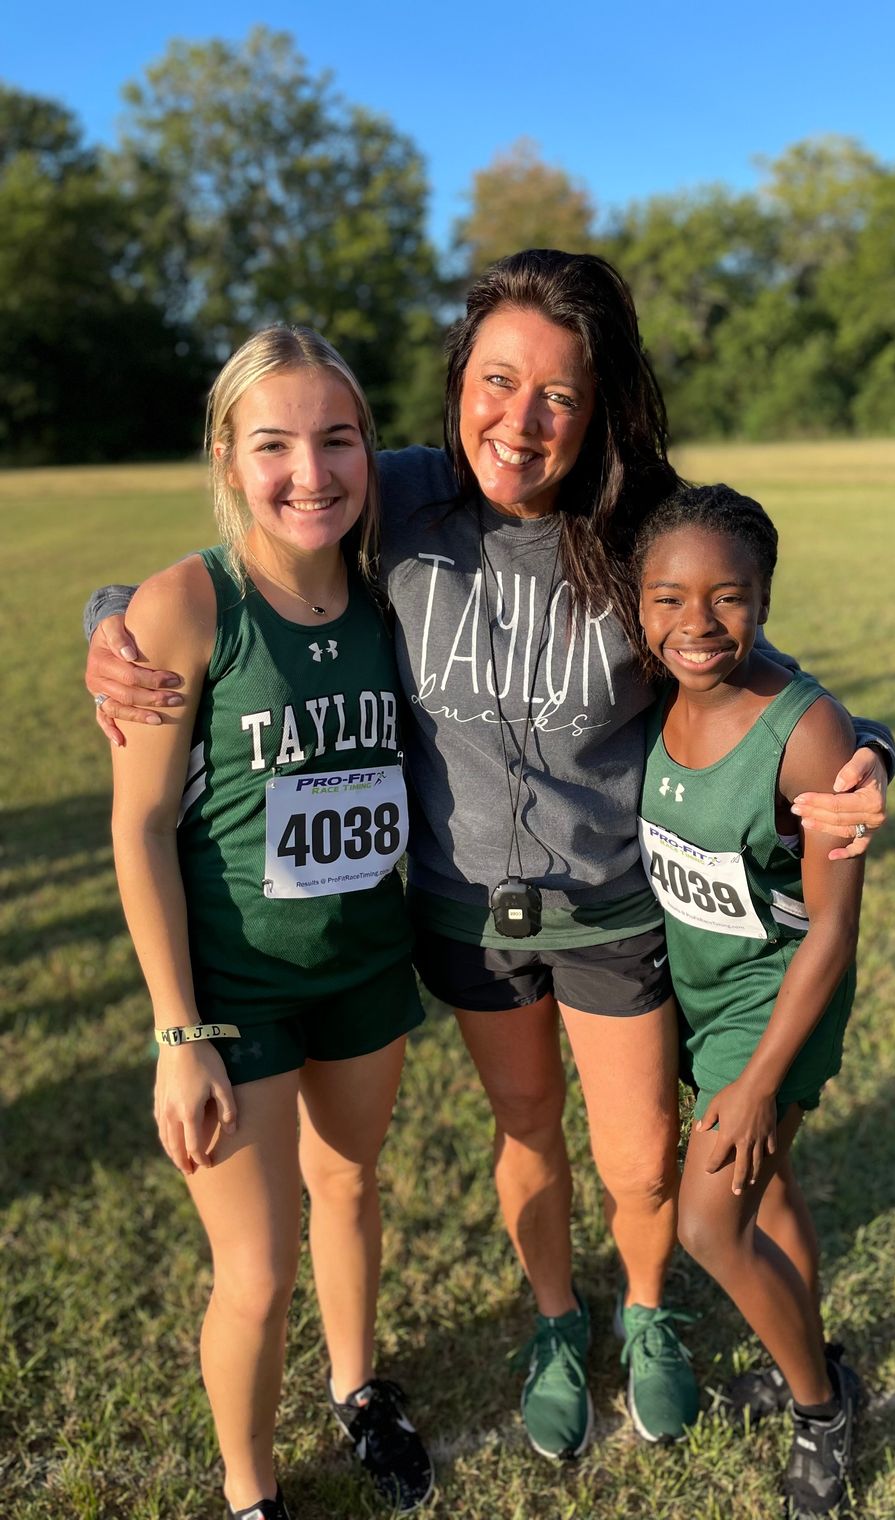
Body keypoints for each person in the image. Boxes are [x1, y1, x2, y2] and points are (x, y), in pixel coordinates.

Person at [87, 251, 893, 1461]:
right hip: (464, 912)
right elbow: (251, 554)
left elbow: (742, 644)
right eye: (498, 380)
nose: (521, 423)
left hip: (612, 905)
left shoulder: (636, 522)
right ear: (460, 378)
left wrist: (868, 743)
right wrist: (107, 620)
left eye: (559, 395)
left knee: (634, 1159)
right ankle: (558, 1321)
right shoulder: (397, 494)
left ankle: (648, 1310)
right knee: (526, 1129)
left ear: (600, 405)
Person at [108, 327, 434, 1520]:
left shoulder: (392, 590)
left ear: (371, 450)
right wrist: (175, 1031)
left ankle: (357, 1389)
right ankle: (251, 1493)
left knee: (349, 1186)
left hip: (363, 967)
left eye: (338, 438)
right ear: (226, 456)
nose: (312, 470)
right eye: (275, 444)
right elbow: (141, 829)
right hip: (233, 991)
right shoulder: (189, 603)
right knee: (255, 1270)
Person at [635, 483, 864, 1518]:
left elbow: (833, 928)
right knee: (772, 1199)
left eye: (728, 598)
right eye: (669, 598)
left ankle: (823, 1406)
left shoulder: (805, 730)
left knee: (712, 1226)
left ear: (766, 596)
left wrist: (764, 1077)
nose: (697, 623)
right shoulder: (663, 687)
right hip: (702, 988)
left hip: (776, 1005)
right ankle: (801, 1347)